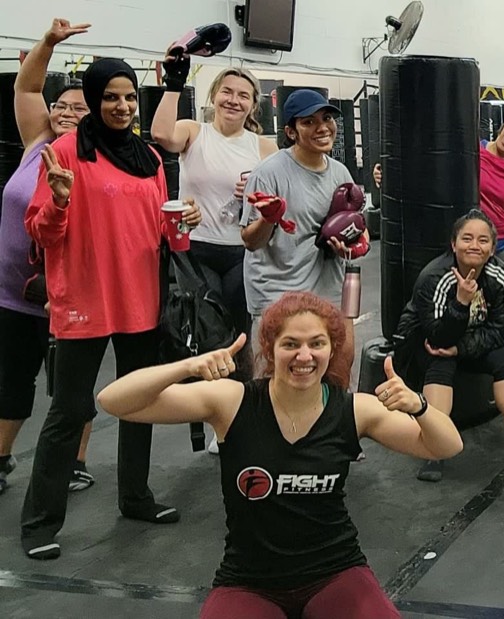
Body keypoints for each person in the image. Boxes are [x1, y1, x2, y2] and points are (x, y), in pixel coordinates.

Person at [96, 291, 462, 618]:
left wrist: (418, 405)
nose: (304, 355)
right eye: (291, 344)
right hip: (249, 581)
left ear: (332, 349)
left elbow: (447, 445)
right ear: (269, 348)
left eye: (317, 343)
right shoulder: (232, 401)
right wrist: (188, 367)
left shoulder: (354, 409)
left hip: (334, 572)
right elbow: (113, 400)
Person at [21, 57, 201, 560]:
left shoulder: (148, 158)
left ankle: (135, 496)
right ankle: (39, 522)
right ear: (95, 100)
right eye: (109, 97)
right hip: (84, 299)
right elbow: (40, 232)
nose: (121, 107)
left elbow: (167, 238)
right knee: (69, 410)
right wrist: (58, 202)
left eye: (127, 97)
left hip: (141, 298)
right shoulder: (65, 152)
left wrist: (185, 219)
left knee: (140, 401)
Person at [374, 95, 504, 392]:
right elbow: (427, 160)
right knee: (438, 305)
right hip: (460, 246)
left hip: (498, 245)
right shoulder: (470, 149)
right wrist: (389, 173)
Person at [152, 58, 278, 453]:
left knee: (240, 336)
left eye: (243, 96)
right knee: (209, 336)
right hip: (199, 248)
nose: (234, 100)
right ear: (213, 96)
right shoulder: (195, 132)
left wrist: (255, 195)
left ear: (253, 105)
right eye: (227, 92)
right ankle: (215, 416)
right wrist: (173, 83)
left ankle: (239, 418)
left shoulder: (263, 146)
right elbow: (160, 134)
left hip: (243, 250)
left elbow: (276, 197)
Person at [0, 18, 96, 496]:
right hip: (11, 292)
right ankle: (0, 461)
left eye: (79, 108)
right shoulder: (36, 144)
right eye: (60, 105)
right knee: (10, 383)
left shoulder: (97, 158)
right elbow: (27, 84)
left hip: (65, 295)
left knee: (68, 389)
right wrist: (50, 42)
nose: (65, 112)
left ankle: (73, 463)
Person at [394, 210, 504, 482]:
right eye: (466, 239)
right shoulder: (435, 277)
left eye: (483, 240)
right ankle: (435, 448)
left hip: (468, 342)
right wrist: (461, 302)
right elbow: (437, 336)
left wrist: (462, 349)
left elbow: (501, 329)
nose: (474, 246)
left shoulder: (502, 277)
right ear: (453, 244)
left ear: (492, 248)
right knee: (440, 361)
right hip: (428, 344)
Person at [241, 89, 369, 372]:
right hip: (279, 294)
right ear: (291, 131)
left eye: (326, 118)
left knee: (339, 371)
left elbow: (357, 225)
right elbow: (250, 241)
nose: (322, 127)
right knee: (276, 383)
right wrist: (269, 219)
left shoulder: (339, 172)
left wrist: (358, 244)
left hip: (330, 291)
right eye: (309, 122)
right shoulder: (269, 173)